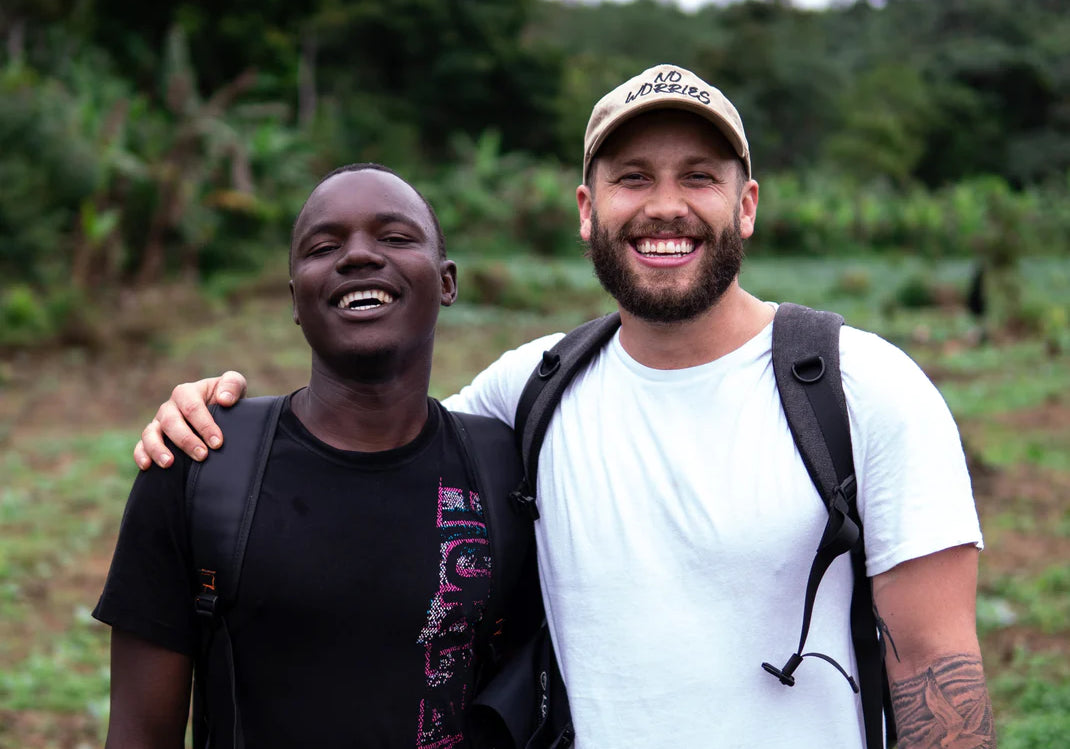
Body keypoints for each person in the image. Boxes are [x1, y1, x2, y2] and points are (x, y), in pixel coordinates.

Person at [135, 65, 995, 748]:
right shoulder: (532, 390)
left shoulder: (862, 389)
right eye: (632, 178)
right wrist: (212, 422)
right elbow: (370, 435)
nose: (665, 205)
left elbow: (936, 666)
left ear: (747, 204)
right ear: (588, 211)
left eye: (699, 176)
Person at [94, 163, 540, 748]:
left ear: (446, 281)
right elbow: (138, 734)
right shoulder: (203, 459)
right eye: (324, 245)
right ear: (296, 300)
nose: (358, 256)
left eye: (395, 238)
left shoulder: (504, 470)